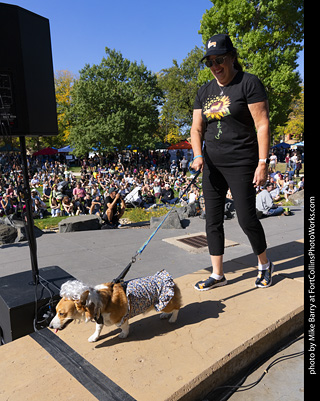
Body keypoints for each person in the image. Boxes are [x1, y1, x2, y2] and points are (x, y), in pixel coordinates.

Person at [191, 33, 274, 291]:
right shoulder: (204, 91)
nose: (215, 66)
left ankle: (264, 264)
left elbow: (262, 125)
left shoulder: (248, 83)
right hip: (212, 165)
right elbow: (196, 129)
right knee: (212, 220)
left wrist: (262, 163)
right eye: (210, 62)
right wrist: (197, 155)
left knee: (247, 218)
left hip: (242, 161)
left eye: (220, 59)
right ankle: (218, 274)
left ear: (232, 57)